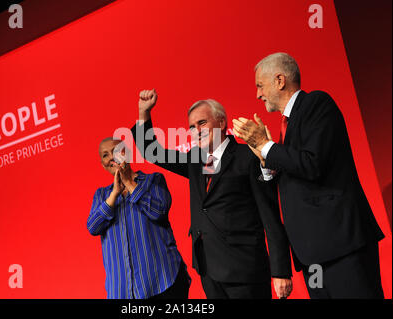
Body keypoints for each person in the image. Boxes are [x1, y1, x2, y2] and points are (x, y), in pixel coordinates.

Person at [233, 52, 385, 299]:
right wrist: (265, 160)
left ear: (280, 80)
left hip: (342, 246)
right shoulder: (287, 126)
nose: (257, 94)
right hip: (312, 255)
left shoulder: (316, 104)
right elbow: (293, 177)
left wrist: (266, 145)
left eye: (260, 86)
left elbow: (312, 164)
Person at [131, 90, 292, 299]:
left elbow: (270, 215)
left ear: (222, 123)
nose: (196, 130)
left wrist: (280, 271)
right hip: (209, 271)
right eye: (191, 127)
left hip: (245, 272)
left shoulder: (248, 157)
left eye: (202, 123)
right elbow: (153, 152)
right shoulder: (195, 160)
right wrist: (144, 113)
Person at [87, 137, 190, 299]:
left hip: (163, 282)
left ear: (126, 153)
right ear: (102, 164)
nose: (111, 158)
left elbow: (158, 212)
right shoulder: (101, 195)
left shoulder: (153, 180)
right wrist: (114, 194)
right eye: (105, 155)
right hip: (122, 290)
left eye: (115, 151)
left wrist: (129, 182)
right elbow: (93, 227)